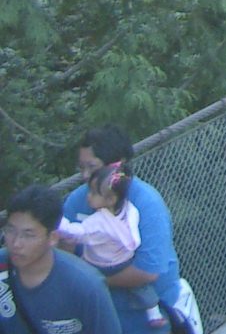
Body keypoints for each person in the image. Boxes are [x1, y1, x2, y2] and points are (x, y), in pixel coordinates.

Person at [63, 127, 182, 334]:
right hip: (96, 312)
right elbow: (64, 255)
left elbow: (148, 270)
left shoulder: (146, 203)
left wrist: (95, 283)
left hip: (144, 316)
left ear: (118, 165)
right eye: (81, 167)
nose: (85, 175)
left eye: (92, 167)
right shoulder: (77, 200)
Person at [56, 164, 167, 329]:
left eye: (93, 193)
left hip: (100, 264)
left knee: (83, 276)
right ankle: (153, 312)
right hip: (124, 260)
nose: (88, 197)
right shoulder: (129, 209)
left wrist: (59, 223)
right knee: (140, 286)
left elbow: (77, 233)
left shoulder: (98, 221)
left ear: (110, 199)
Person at [1, 185, 121, 334]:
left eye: (29, 235)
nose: (16, 243)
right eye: (10, 230)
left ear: (52, 238)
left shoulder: (87, 286)